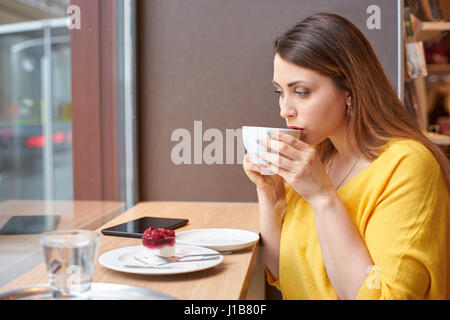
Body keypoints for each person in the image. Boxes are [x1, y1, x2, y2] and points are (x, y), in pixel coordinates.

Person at [243, 13, 450, 300]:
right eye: (280, 92)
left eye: (301, 92)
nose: (285, 109)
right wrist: (268, 191)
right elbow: (284, 273)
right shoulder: (319, 155)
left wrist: (322, 197)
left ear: (349, 90)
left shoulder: (408, 166)